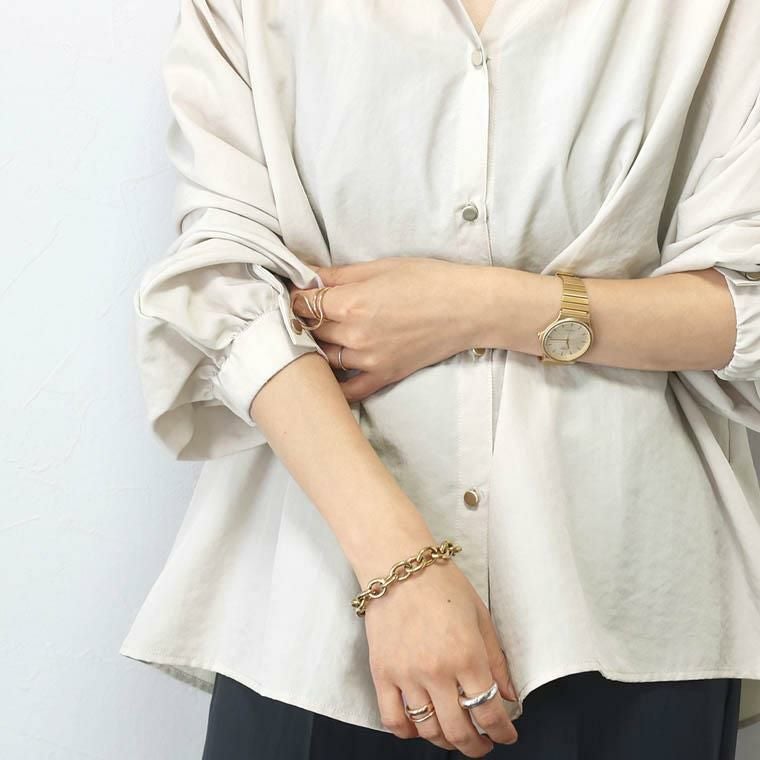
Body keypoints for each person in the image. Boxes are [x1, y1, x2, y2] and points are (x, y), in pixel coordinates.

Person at [120, 1, 760, 758]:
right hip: (320, 619)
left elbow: (743, 304)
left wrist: (473, 305)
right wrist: (398, 571)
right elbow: (225, 287)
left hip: (629, 612)